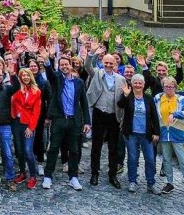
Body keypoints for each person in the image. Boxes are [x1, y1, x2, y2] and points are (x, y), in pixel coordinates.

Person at [40, 54, 90, 191]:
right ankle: (48, 176)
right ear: (59, 66)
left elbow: (84, 103)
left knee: (74, 150)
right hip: (59, 120)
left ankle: (73, 177)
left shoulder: (79, 82)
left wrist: (87, 122)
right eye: (61, 64)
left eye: (66, 64)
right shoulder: (57, 79)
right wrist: (47, 60)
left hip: (74, 121)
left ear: (70, 65)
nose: (64, 66)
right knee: (53, 148)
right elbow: (50, 74)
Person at [154, 76, 184, 201]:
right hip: (164, 134)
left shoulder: (181, 99)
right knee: (166, 160)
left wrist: (175, 114)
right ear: (163, 87)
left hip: (179, 136)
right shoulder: (158, 98)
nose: (168, 89)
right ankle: (170, 183)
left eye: (171, 87)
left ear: (175, 87)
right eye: (166, 86)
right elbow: (154, 115)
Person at [86, 53, 126, 188]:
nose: (108, 65)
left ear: (116, 64)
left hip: (114, 115)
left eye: (111, 63)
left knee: (113, 146)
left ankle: (112, 174)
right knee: (96, 145)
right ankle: (94, 172)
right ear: (102, 62)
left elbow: (123, 98)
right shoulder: (97, 73)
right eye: (106, 63)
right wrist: (91, 54)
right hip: (99, 112)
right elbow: (87, 66)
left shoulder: (121, 79)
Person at [118, 73, 160, 193]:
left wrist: (156, 133)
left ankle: (151, 183)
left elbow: (154, 117)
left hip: (146, 134)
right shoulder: (128, 96)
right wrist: (125, 95)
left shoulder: (148, 98)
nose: (137, 85)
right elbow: (120, 105)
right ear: (132, 84)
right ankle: (132, 181)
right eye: (135, 83)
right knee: (132, 158)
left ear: (143, 85)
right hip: (131, 133)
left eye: (140, 83)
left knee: (150, 159)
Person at [10, 67, 42, 189]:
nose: (25, 77)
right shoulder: (18, 89)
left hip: (28, 123)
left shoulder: (36, 91)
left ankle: (33, 176)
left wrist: (31, 127)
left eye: (27, 75)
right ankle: (22, 172)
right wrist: (20, 90)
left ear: (31, 76)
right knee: (19, 150)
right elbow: (13, 101)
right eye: (23, 75)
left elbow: (36, 111)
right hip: (16, 122)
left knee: (28, 151)